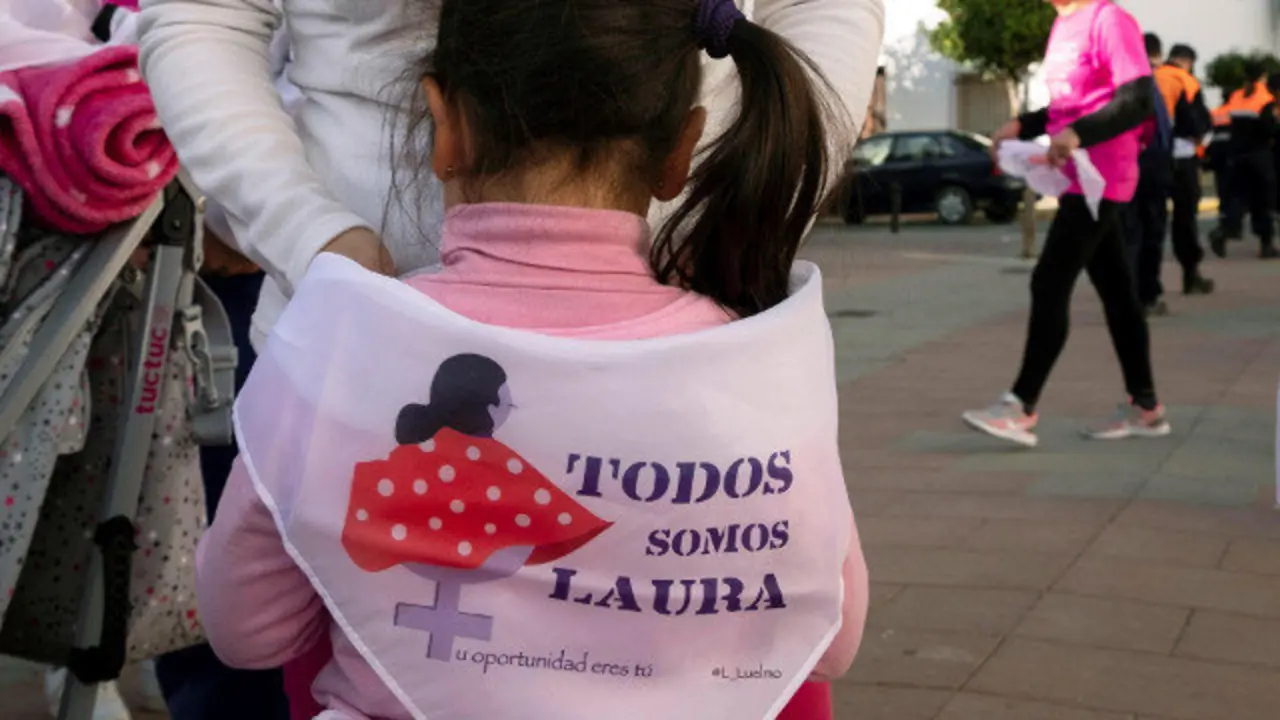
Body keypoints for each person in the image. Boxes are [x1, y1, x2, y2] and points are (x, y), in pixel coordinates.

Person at [137, 0, 885, 717]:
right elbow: (829, 632)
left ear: (441, 129)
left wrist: (312, 243)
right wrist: (744, 224)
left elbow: (247, 631)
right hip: (703, 345)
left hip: (363, 335)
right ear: (682, 151)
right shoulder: (760, 373)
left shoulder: (329, 360)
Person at [962, 0, 1170, 448]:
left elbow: (1136, 100)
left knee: (1050, 281)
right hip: (1075, 174)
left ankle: (1022, 405)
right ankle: (1146, 407)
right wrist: (1022, 123)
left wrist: (1078, 135)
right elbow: (1067, 107)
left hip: (1101, 177)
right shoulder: (1063, 23)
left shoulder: (1108, 19)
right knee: (1118, 292)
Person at [1149, 42, 1215, 303]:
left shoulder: (1151, 77)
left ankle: (1149, 289)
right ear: (1187, 61)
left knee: (1151, 221)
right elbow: (1196, 120)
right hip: (1182, 156)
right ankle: (1191, 274)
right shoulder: (1185, 80)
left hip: (1152, 156)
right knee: (1185, 217)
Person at [1122, 32, 1176, 316]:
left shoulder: (1142, 81)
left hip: (1141, 165)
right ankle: (1143, 295)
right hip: (1146, 165)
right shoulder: (1140, 82)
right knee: (1145, 233)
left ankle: (1138, 294)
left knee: (1135, 232)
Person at [1209, 62, 1278, 259]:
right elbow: (1269, 129)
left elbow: (1227, 122)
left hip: (1237, 154)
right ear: (1263, 76)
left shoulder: (1237, 95)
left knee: (1239, 197)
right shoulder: (1265, 99)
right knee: (1263, 201)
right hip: (1259, 155)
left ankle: (1224, 232)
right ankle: (1266, 245)